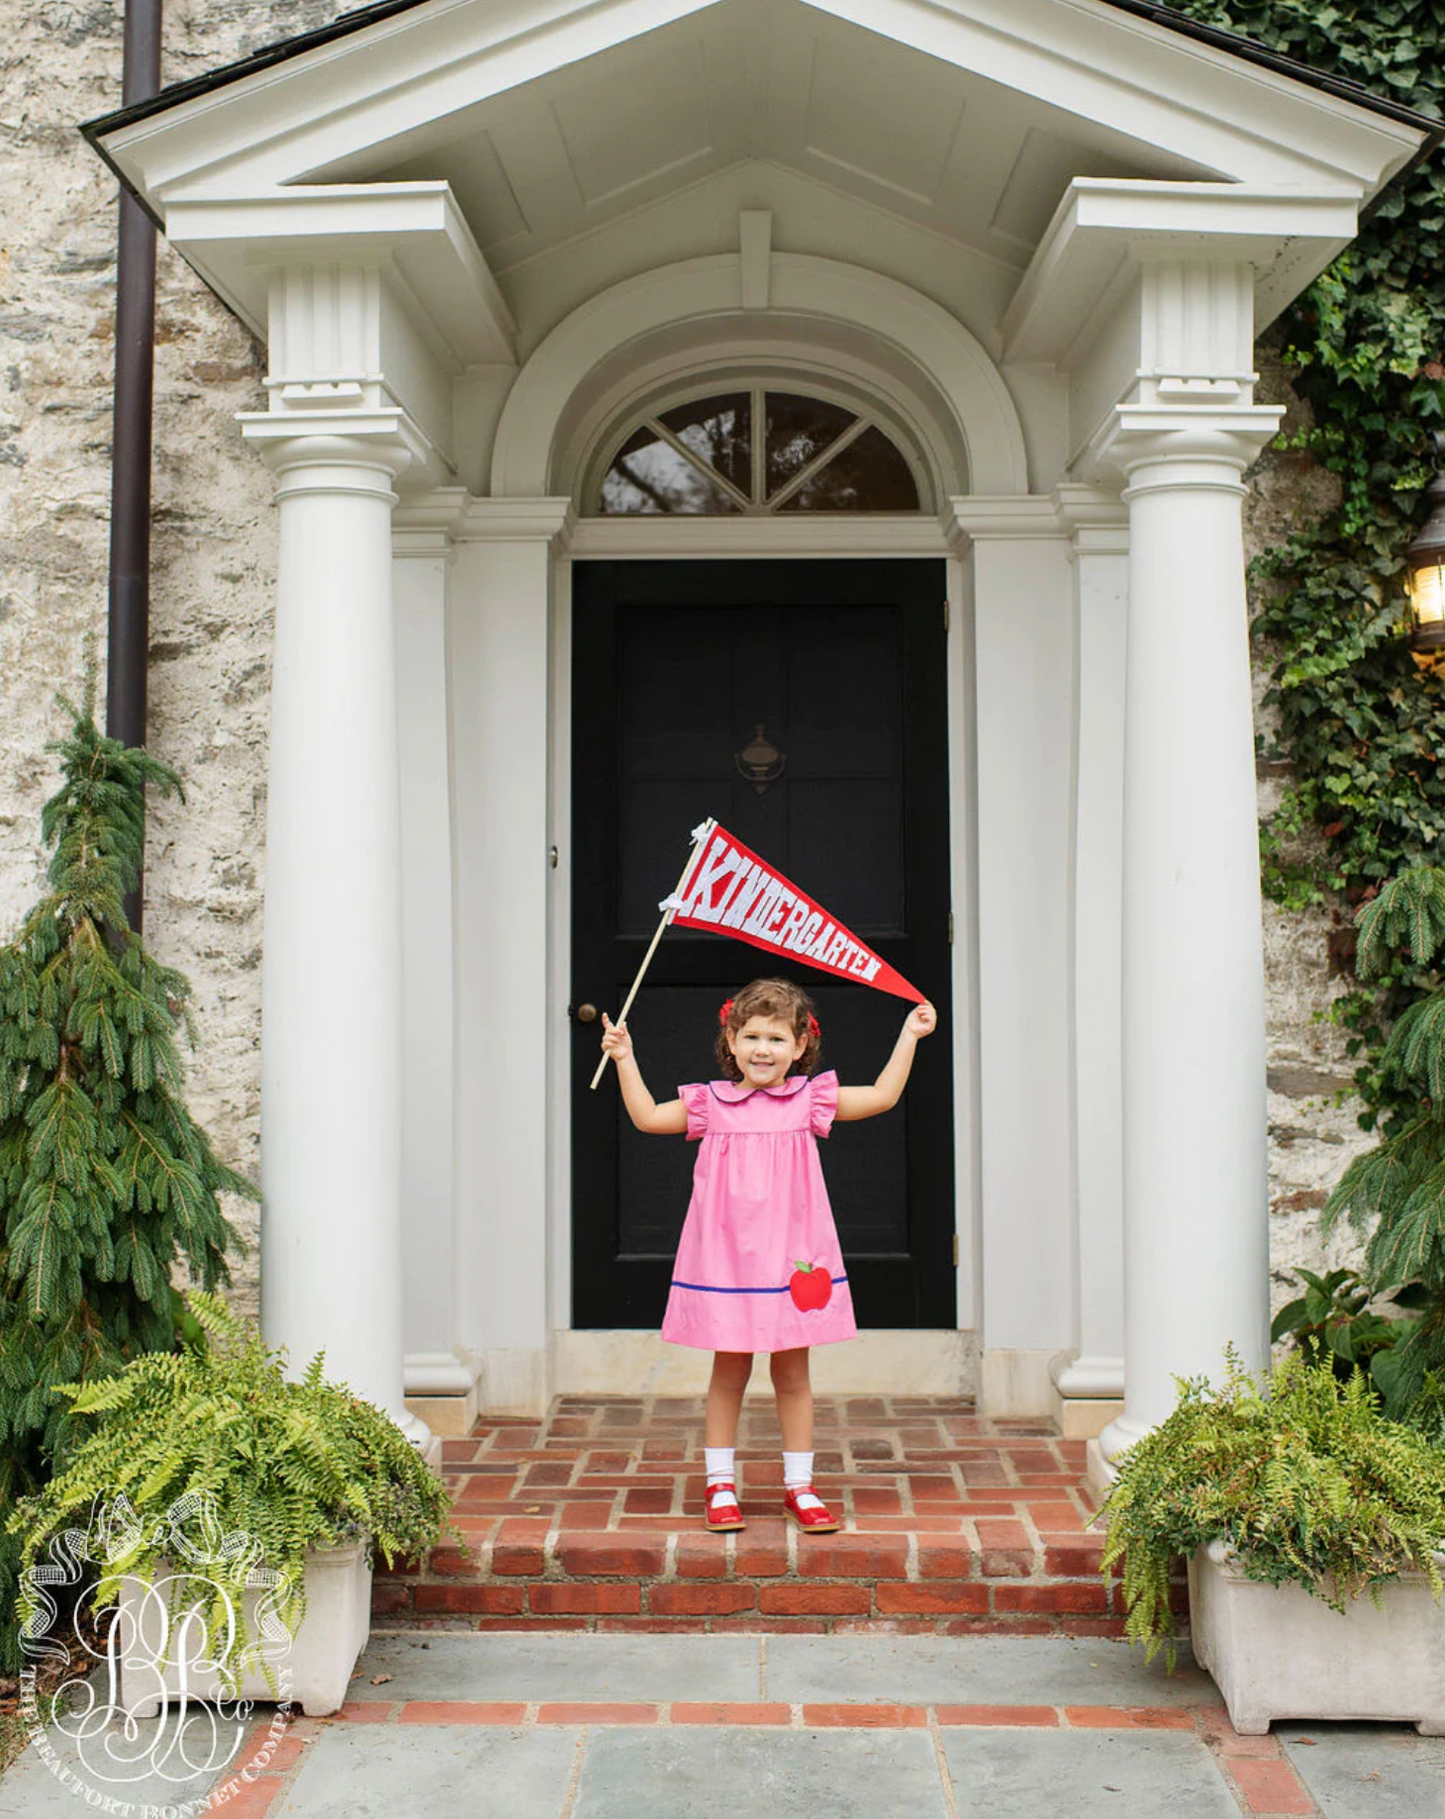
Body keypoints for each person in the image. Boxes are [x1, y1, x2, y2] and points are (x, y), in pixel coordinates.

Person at [599, 976, 937, 1534]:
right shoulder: (711, 1103)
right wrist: (625, 1059)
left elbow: (881, 1096)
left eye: (778, 1039)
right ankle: (719, 1484)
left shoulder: (810, 1100)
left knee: (793, 1374)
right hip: (727, 1261)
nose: (763, 1049)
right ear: (730, 1040)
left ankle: (799, 1487)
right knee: (728, 1373)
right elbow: (647, 1118)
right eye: (752, 1036)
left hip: (790, 1261)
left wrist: (909, 1034)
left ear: (801, 1047)